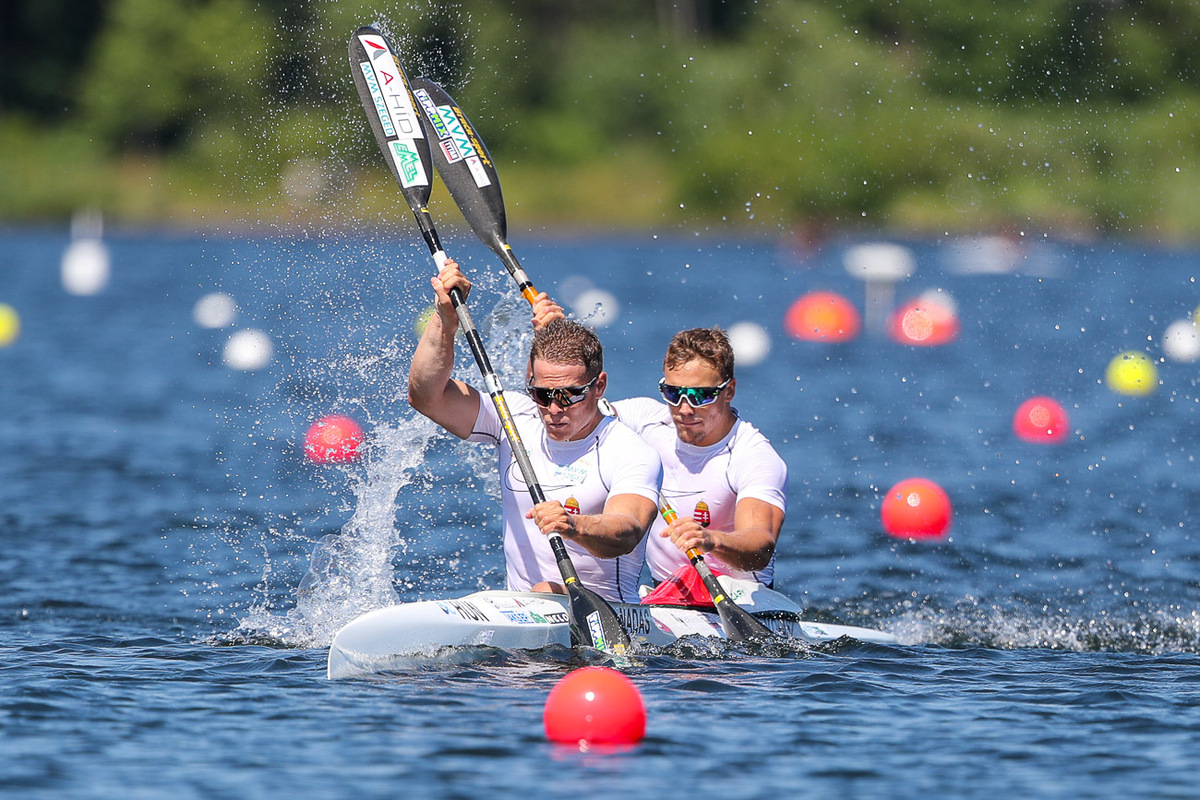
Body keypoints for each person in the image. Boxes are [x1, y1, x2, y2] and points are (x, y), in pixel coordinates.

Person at [407, 260, 661, 603]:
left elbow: (628, 530)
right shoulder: (515, 419)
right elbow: (426, 396)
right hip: (527, 611)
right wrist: (446, 317)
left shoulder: (627, 450)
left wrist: (573, 525)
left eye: (570, 395)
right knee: (539, 595)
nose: (554, 409)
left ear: (599, 386)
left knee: (545, 592)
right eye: (542, 394)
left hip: (608, 619)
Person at [607, 327, 787, 587]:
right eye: (672, 393)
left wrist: (710, 540)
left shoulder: (753, 457)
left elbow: (760, 546)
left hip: (741, 602)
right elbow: (573, 409)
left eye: (700, 395)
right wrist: (556, 336)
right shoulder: (645, 421)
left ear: (729, 391)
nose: (684, 409)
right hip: (665, 597)